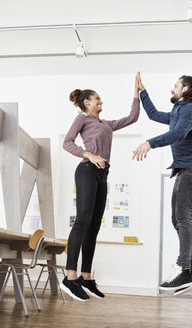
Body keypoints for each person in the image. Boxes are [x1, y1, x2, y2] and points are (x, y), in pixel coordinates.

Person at [61, 73, 141, 301]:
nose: (101, 102)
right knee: (82, 222)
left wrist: (137, 92)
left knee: (94, 226)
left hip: (102, 175)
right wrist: (88, 154)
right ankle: (70, 277)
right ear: (87, 102)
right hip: (86, 170)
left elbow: (133, 117)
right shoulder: (82, 119)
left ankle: (86, 278)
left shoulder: (106, 124)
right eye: (97, 99)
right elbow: (67, 142)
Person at [132, 73, 192, 296]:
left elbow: (176, 134)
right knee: (177, 218)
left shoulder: (190, 110)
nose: (172, 89)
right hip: (184, 169)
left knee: (183, 216)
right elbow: (154, 114)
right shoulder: (177, 111)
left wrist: (149, 143)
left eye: (175, 86)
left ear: (185, 89)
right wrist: (142, 91)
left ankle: (184, 268)